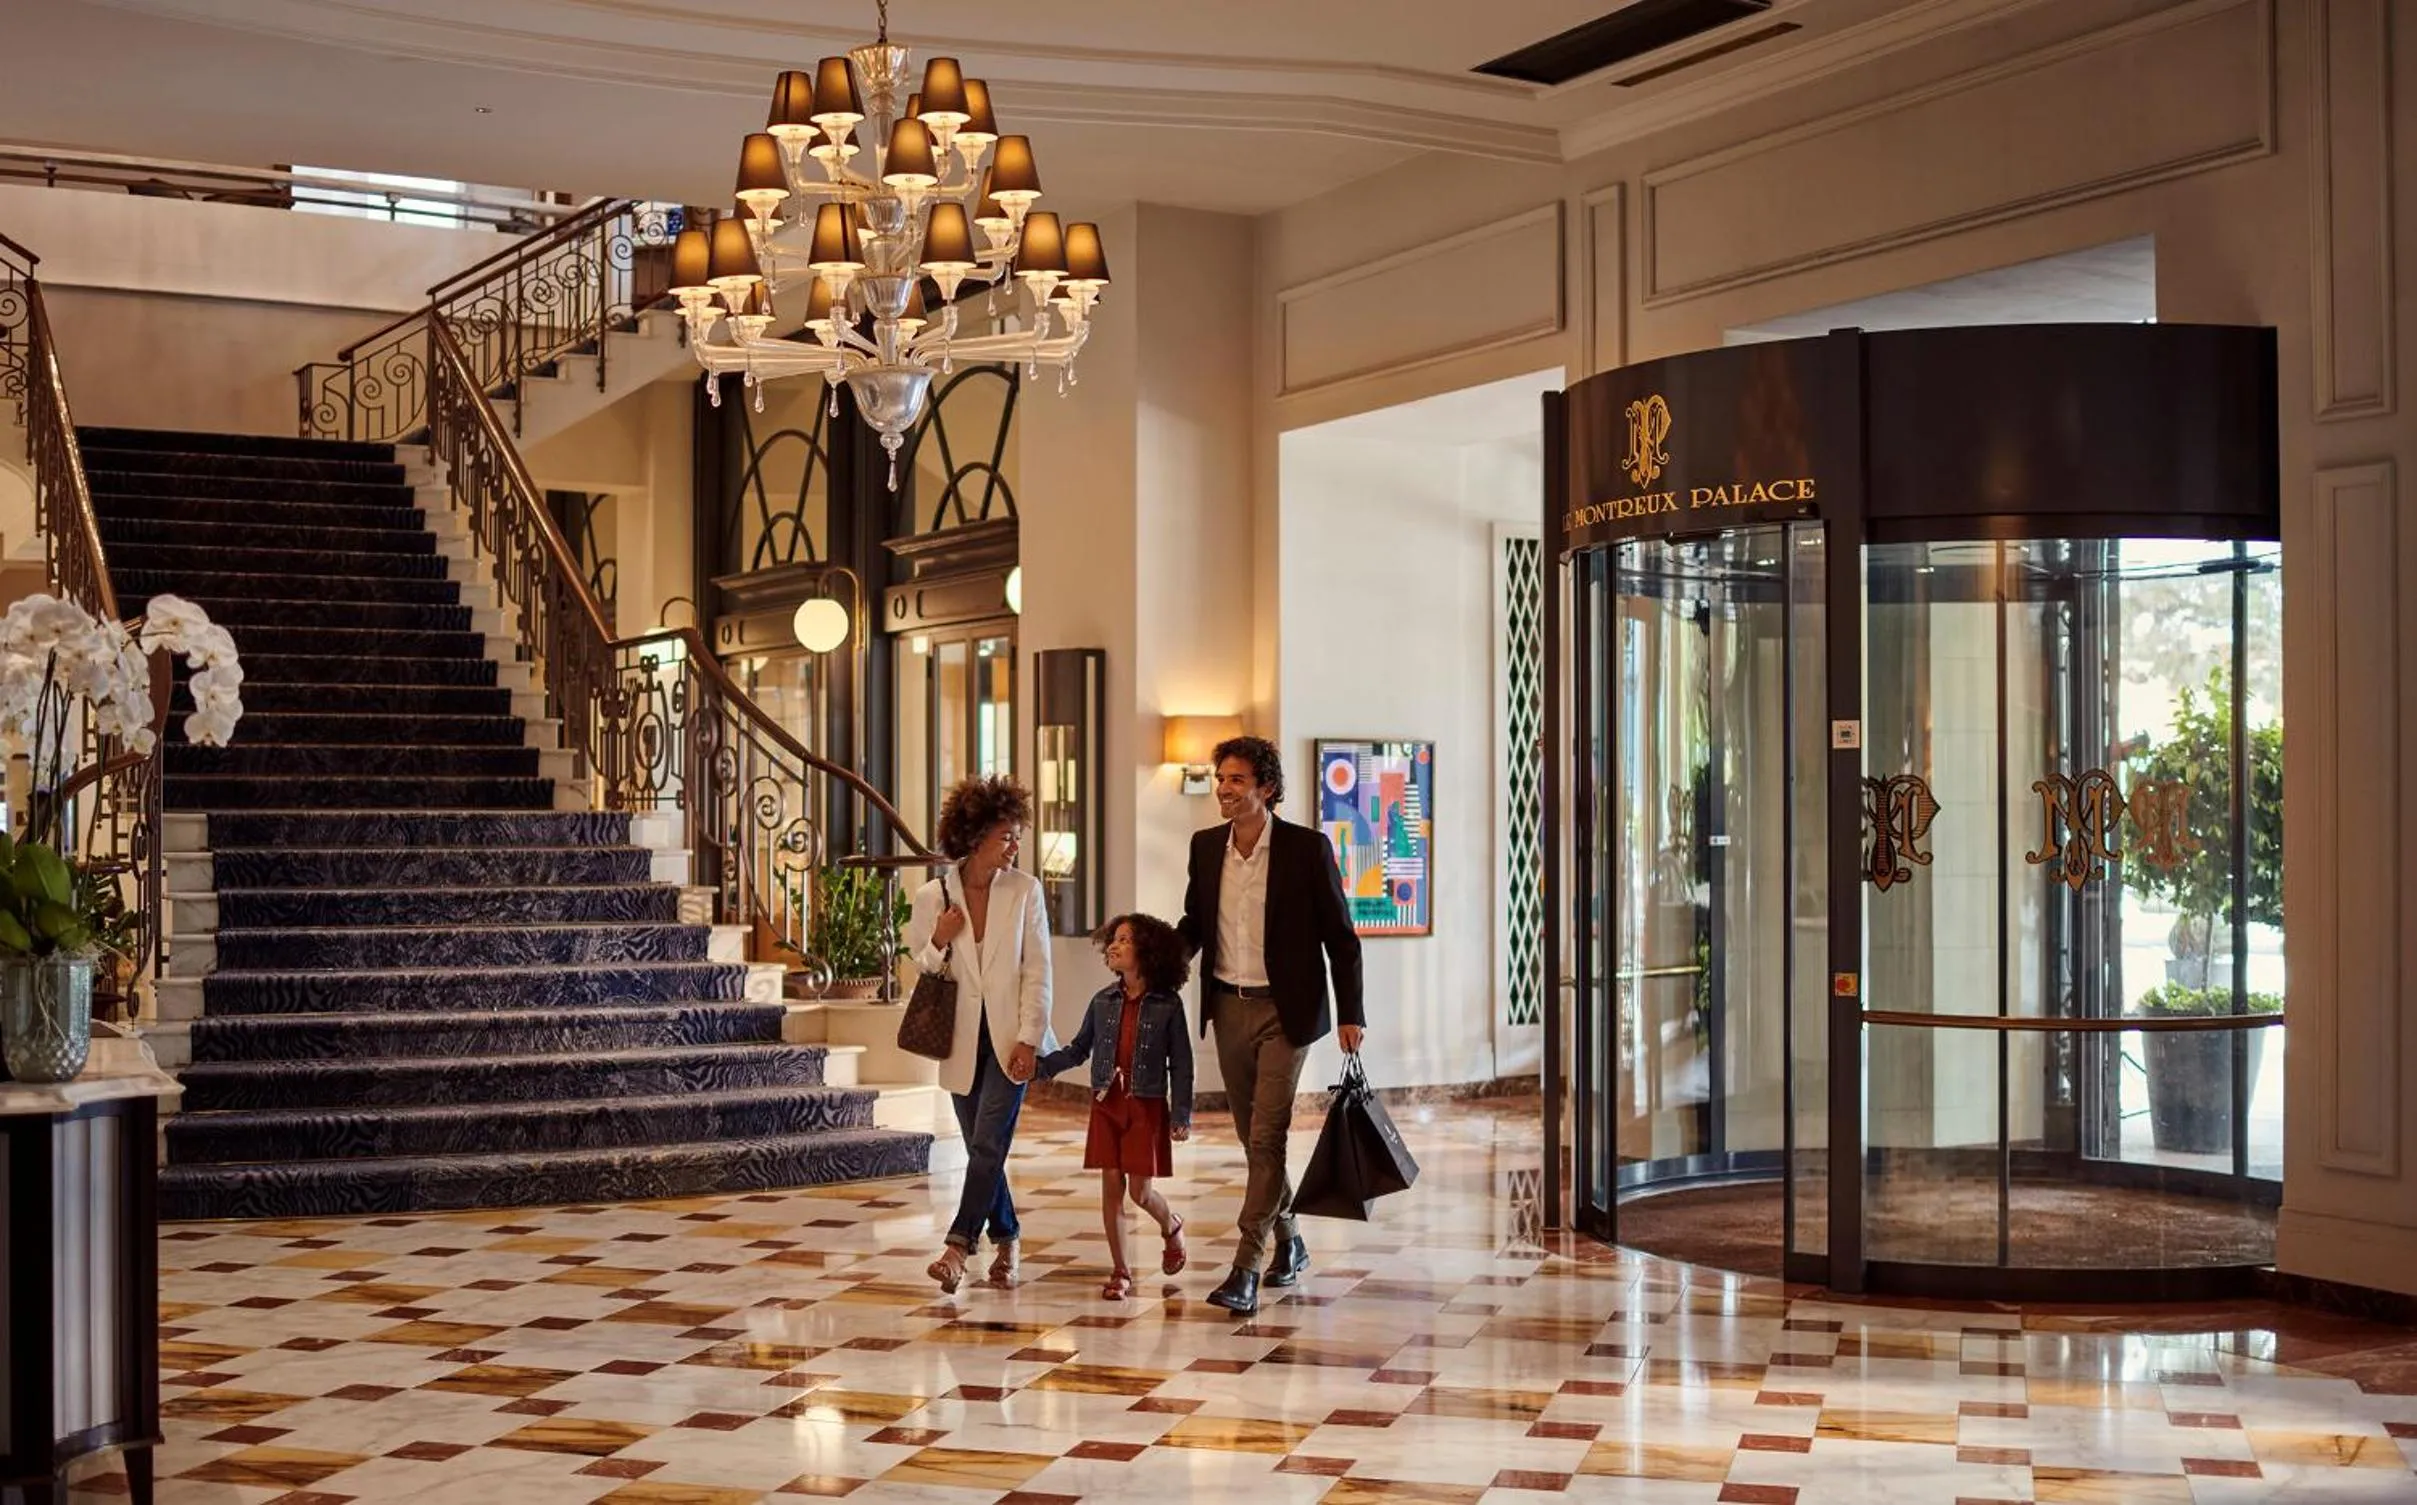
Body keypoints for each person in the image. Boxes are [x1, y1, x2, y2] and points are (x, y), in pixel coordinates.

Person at [1177, 735, 1364, 1316]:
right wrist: (1157, 963)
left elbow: (1341, 937)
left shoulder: (1307, 850)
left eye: (1236, 780)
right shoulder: (1207, 847)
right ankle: (1292, 1242)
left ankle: (1245, 1267)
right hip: (1228, 1006)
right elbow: (1195, 922)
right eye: (1221, 778)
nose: (1225, 790)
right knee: (1251, 1140)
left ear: (1267, 789)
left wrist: (1352, 1013)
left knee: (1267, 1138)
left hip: (1286, 1012)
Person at [904, 775, 1052, 1294]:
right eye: (1006, 835)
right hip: (962, 1041)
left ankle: (957, 1246)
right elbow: (921, 967)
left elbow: (1038, 969)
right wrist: (941, 941)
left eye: (1017, 835)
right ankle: (1008, 1235)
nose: (1015, 845)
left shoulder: (1025, 891)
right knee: (981, 1149)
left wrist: (1030, 1038)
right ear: (975, 836)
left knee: (989, 1141)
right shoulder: (932, 895)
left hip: (1012, 1038)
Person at [1037, 913, 1196, 1300]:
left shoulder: (1168, 1006)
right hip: (1107, 1104)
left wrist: (1181, 1115)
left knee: (1140, 1193)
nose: (1113, 945)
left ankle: (1171, 1225)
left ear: (1146, 950)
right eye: (1113, 939)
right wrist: (1042, 1068)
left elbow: (1183, 1064)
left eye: (1123, 939)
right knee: (1111, 1185)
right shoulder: (1102, 1001)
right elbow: (1078, 1049)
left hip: (1146, 1105)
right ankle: (1121, 1271)